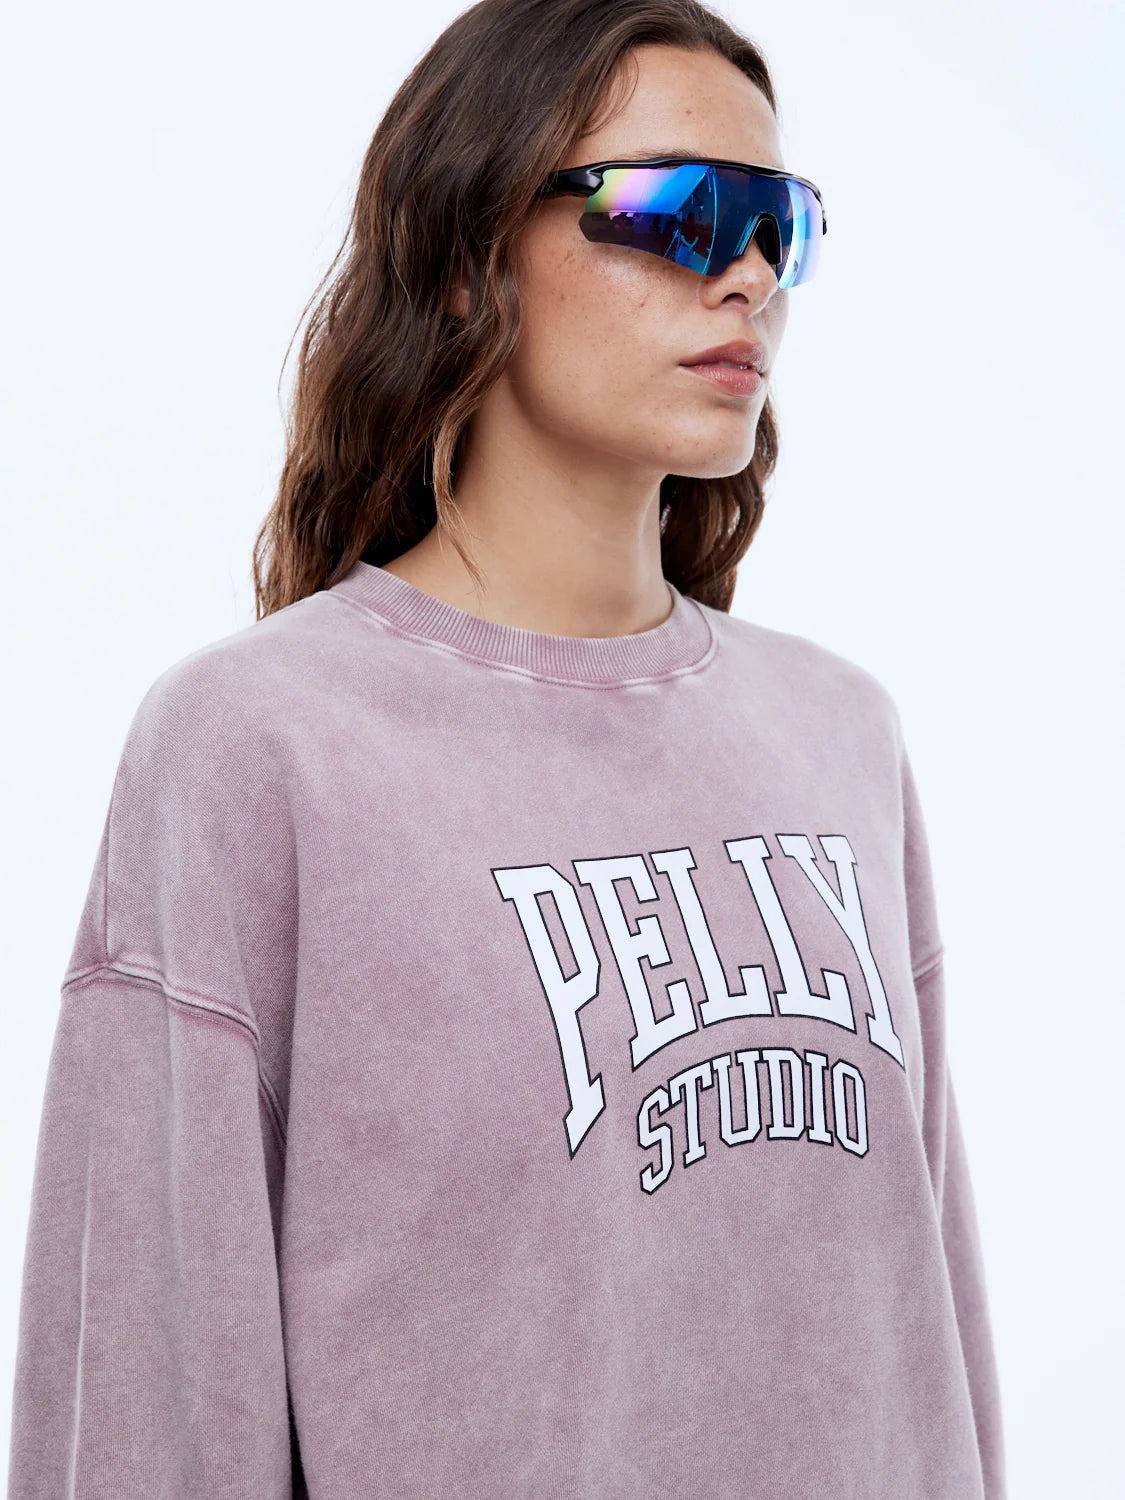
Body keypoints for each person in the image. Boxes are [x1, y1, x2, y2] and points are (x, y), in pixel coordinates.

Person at [6, 1, 1006, 1495]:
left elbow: (936, 1343)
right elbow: (150, 1394)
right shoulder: (263, 744)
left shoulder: (837, 732)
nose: (746, 273)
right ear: (468, 254)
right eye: (675, 208)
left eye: (778, 224)